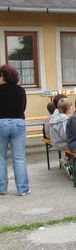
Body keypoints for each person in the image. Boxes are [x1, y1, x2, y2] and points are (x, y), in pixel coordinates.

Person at [0, 64, 29, 196]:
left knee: (1, 157)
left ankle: (2, 188)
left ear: (3, 76)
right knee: (19, 157)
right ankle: (22, 189)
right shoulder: (21, 90)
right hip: (18, 123)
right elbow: (23, 107)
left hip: (1, 123)